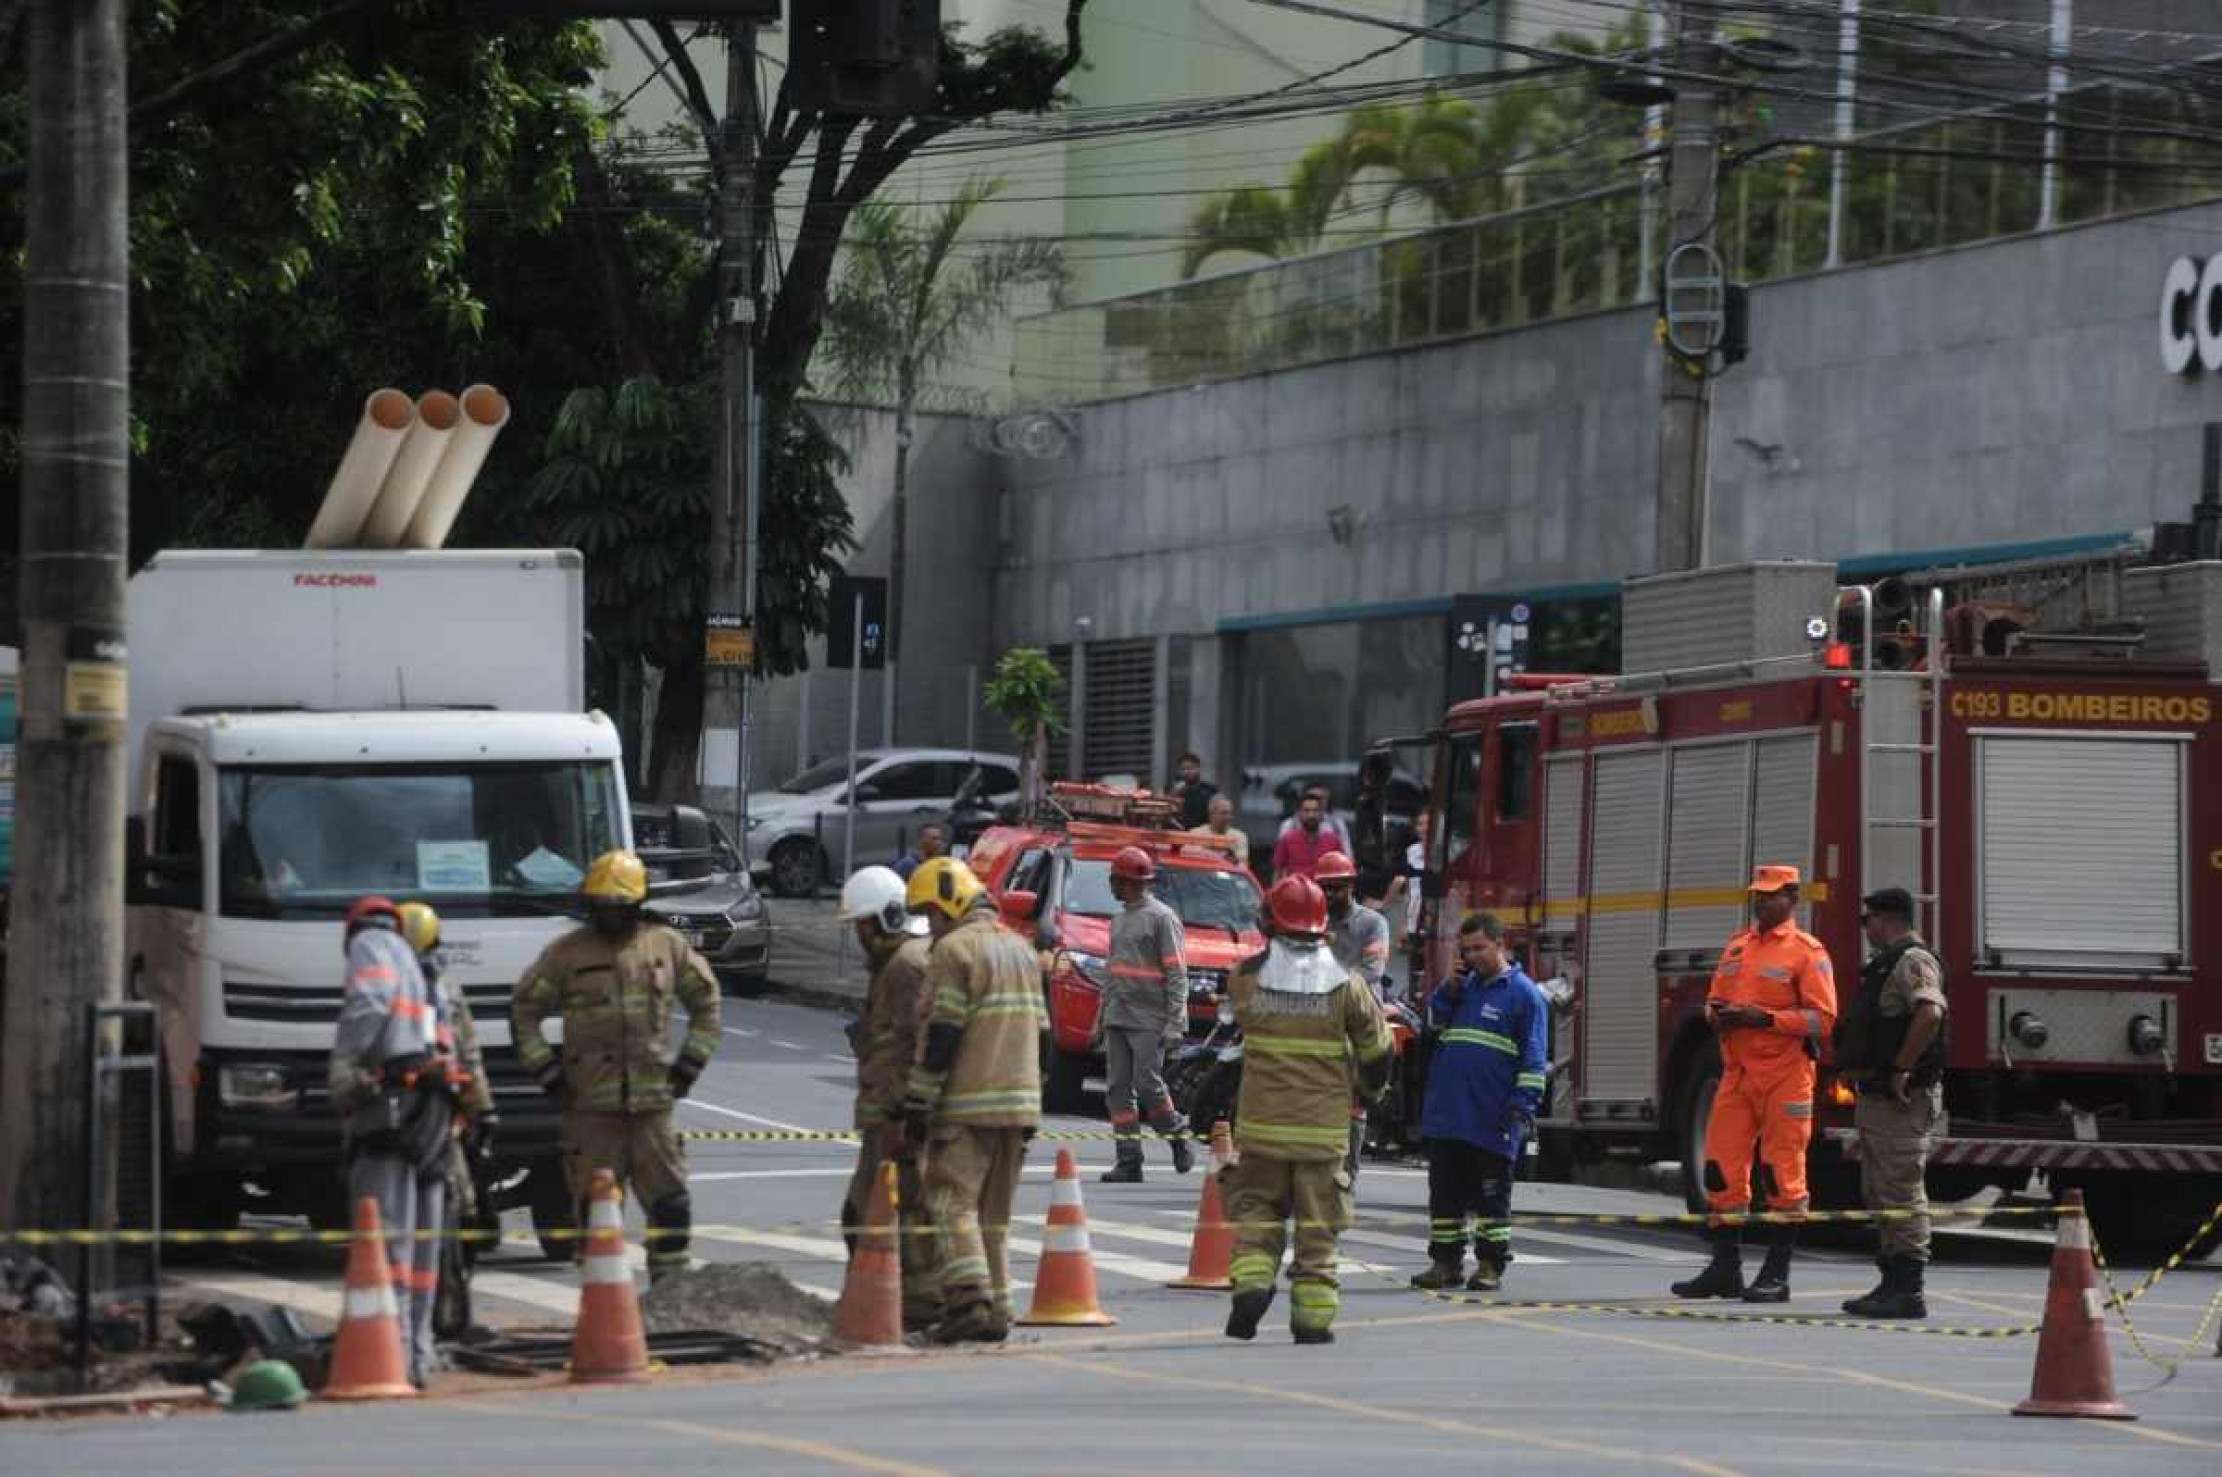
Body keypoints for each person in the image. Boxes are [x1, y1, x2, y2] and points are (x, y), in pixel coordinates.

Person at [512, 849, 722, 1284]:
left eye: (619, 906)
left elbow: (707, 1002)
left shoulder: (666, 947)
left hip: (653, 1113)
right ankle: (603, 1309)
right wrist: (547, 1074)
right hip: (591, 1115)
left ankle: (670, 1298)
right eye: (602, 906)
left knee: (671, 1209)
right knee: (595, 1219)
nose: (610, 915)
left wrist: (689, 1064)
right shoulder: (567, 955)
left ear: (637, 904)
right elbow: (524, 1013)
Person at [1223, 875, 1394, 1345]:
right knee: (1318, 1230)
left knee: (1258, 1213)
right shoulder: (1349, 986)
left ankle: (1253, 1285)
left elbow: (1242, 1014)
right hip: (1322, 1132)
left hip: (1260, 1127)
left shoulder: (1244, 979)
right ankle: (1312, 1321)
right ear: (1324, 927)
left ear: (1269, 922)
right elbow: (1379, 1051)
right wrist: (1368, 1090)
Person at [900, 856, 1049, 1345]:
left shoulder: (955, 951)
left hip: (968, 1103)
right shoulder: (1021, 950)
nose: (931, 928)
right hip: (1021, 1102)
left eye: (931, 914)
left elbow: (943, 1031)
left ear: (950, 905)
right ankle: (999, 1307)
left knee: (951, 1201)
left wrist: (919, 1103)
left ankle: (968, 1299)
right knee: (995, 1215)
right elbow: (1042, 1034)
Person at [1671, 865, 1838, 1304]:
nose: (1761, 902)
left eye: (1771, 895)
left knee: (1781, 1173)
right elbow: (1714, 1000)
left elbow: (1823, 1019)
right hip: (1737, 1073)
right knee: (1720, 1169)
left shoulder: (1807, 952)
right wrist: (1717, 1014)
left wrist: (1765, 1019)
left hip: (1786, 1076)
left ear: (1792, 898)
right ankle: (1725, 1268)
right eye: (1757, 895)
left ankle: (1777, 1273)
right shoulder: (1738, 947)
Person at [328, 895, 458, 1388]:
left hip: (391, 1108)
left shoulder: (372, 945)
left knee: (387, 1239)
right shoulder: (418, 960)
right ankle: (417, 1357)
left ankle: (390, 1357)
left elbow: (369, 1005)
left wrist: (344, 1069)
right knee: (424, 1247)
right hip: (431, 1108)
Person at [1409, 912, 1547, 1292]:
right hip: (1450, 1115)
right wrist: (1448, 989)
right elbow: (1431, 1028)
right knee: (1445, 1196)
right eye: (1466, 950)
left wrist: (1522, 1105)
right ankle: (1445, 1264)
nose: (1472, 957)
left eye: (1479, 949)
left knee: (1491, 1199)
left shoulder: (1524, 995)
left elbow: (1534, 1059)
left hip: (1493, 1117)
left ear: (1501, 945)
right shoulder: (1460, 988)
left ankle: (1489, 1265)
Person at [837, 865, 943, 1331]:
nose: (859, 936)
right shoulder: (894, 963)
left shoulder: (905, 965)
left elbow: (912, 1045)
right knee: (865, 1212)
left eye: (862, 925)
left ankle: (912, 1304)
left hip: (897, 1116)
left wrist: (906, 1114)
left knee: (884, 1212)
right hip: (886, 1113)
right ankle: (878, 1299)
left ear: (885, 919)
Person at [1836, 886, 1947, 1319]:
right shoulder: (1887, 963)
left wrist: (1902, 1067)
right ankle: (1890, 1282)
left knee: (1901, 1190)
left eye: (1868, 921)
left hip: (1903, 1099)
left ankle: (1908, 1289)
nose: (1865, 930)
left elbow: (1930, 1012)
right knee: (1880, 1191)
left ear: (1885, 919)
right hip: (1880, 1099)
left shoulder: (1912, 961)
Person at [396, 901, 497, 1343]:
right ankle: (411, 1321)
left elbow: (466, 1055)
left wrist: (481, 1110)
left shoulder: (445, 992)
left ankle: (451, 1315)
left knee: (460, 1213)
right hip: (399, 1126)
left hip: (442, 1123)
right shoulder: (386, 994)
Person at [1099, 846, 1195, 1183]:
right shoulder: (1119, 920)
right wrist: (1101, 1019)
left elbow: (1177, 974)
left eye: (1114, 880)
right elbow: (1112, 973)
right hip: (1119, 1015)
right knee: (1117, 1090)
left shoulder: (1161, 918)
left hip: (1148, 1018)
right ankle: (1128, 1160)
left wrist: (1175, 1022)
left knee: (1148, 1084)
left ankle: (1177, 1133)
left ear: (1128, 882)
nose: (1111, 886)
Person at [1270, 788, 1349, 883]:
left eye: (1315, 811)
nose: (1311, 815)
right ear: (1299, 813)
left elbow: (1342, 872)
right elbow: (1277, 872)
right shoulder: (1288, 839)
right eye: (1307, 811)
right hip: (1296, 893)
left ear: (1322, 813)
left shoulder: (1333, 841)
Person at [1190, 793, 1251, 861]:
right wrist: (1222, 854)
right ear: (1212, 814)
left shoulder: (1239, 837)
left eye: (1230, 813)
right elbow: (1191, 856)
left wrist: (1209, 852)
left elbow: (1241, 861)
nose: (1228, 817)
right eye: (1224, 813)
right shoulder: (1195, 834)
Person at [1170, 751, 1219, 829]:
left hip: (1204, 831)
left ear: (1198, 768)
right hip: (1181, 831)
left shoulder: (1210, 790)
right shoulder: (1176, 790)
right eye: (1183, 769)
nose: (1187, 772)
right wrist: (1173, 795)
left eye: (1191, 768)